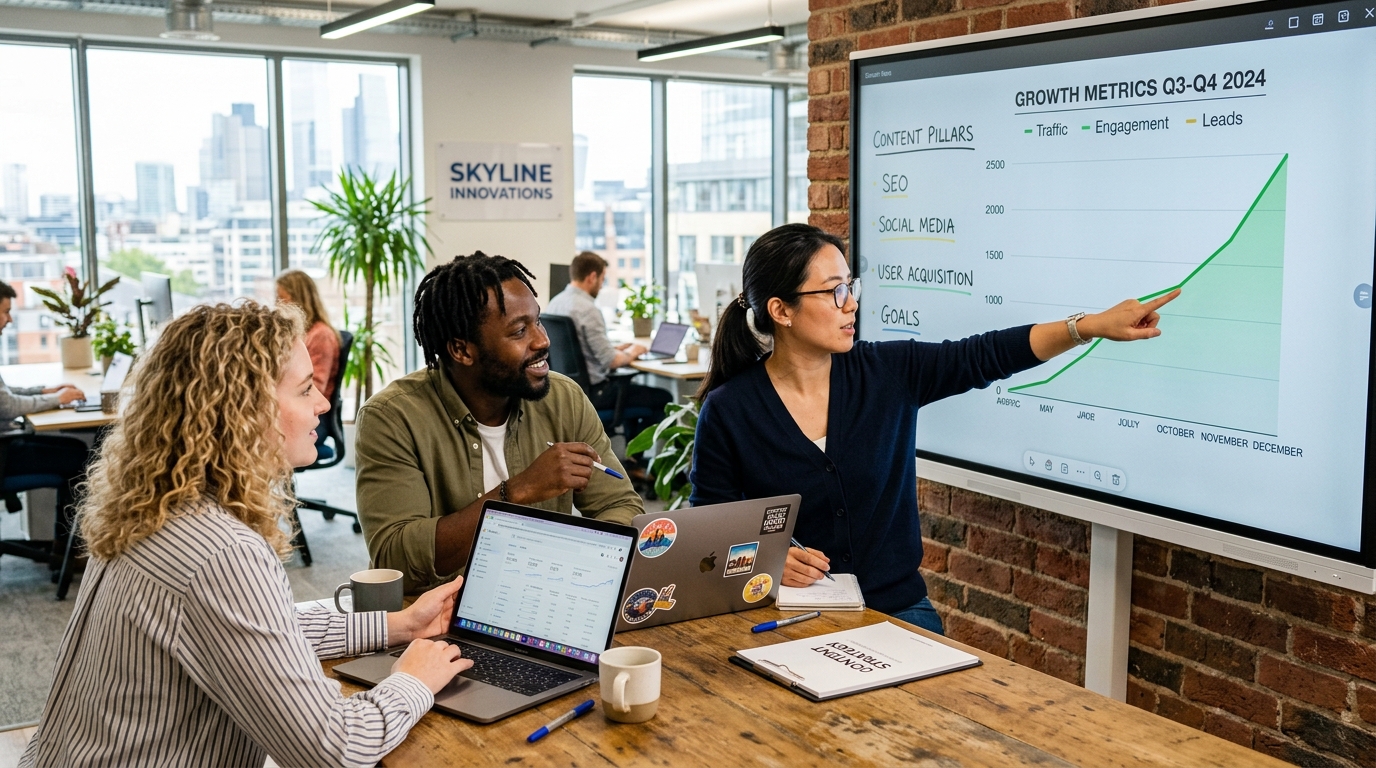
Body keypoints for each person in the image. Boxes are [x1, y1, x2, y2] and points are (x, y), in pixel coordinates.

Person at [20, 302, 473, 768]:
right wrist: (413, 679)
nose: (322, 403)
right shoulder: (222, 552)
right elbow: (334, 749)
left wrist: (399, 625)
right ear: (243, 413)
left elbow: (262, 636)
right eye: (304, 390)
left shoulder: (147, 507)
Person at [689, 224, 1178, 634]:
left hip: (896, 611)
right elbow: (711, 532)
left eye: (851, 286)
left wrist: (1087, 326)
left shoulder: (888, 372)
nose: (850, 304)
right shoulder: (730, 410)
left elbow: (984, 353)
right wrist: (766, 561)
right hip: (784, 617)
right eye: (833, 291)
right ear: (781, 311)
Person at [355, 251, 643, 594]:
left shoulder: (563, 399)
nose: (542, 341)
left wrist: (573, 571)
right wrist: (516, 492)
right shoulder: (393, 418)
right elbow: (395, 557)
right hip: (440, 616)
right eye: (520, 331)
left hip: (548, 600)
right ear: (462, 350)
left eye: (539, 322)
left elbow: (620, 506)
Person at [545, 250, 673, 449]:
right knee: (663, 398)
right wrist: (633, 352)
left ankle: (631, 459)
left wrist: (614, 347)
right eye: (602, 279)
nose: (601, 285)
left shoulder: (555, 303)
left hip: (568, 391)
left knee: (636, 392)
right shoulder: (588, 308)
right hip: (596, 394)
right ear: (592, 277)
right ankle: (636, 459)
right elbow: (611, 361)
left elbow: (579, 348)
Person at [0, 279, 89, 560]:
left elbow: (6, 394)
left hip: (6, 446)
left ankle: (62, 546)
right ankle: (66, 554)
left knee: (76, 449)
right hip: (3, 455)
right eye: (4, 312)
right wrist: (58, 399)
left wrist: (44, 391)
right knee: (80, 458)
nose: (9, 319)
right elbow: (8, 406)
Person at [276, 268, 341, 403]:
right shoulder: (302, 333)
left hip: (312, 411)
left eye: (281, 299)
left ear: (298, 299)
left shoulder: (322, 335)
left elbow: (315, 388)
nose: (277, 305)